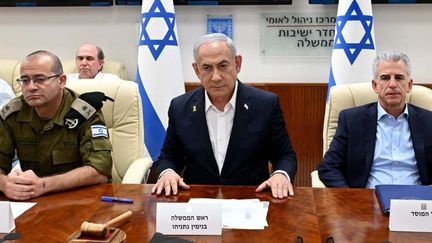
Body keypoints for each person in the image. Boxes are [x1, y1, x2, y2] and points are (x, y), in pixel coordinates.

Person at [151, 33, 297, 199]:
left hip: (251, 200)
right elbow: (169, 156)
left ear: (237, 64)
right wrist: (168, 173)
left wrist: (280, 175)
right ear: (196, 70)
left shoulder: (265, 104)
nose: (216, 77)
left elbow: (285, 155)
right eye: (206, 68)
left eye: (223, 66)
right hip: (198, 202)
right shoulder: (180, 107)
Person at [0, 50, 113, 201]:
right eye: (25, 80)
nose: (31, 87)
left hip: (80, 198)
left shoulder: (83, 112)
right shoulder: (12, 113)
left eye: (40, 79)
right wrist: (5, 183)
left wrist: (44, 185)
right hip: (31, 200)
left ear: (61, 81)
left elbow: (100, 170)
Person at [317, 51, 432, 188]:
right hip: (368, 203)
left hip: (416, 203)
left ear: (409, 85)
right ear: (375, 85)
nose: (392, 84)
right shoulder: (352, 120)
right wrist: (350, 198)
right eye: (385, 78)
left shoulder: (428, 121)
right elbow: (328, 167)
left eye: (399, 77)